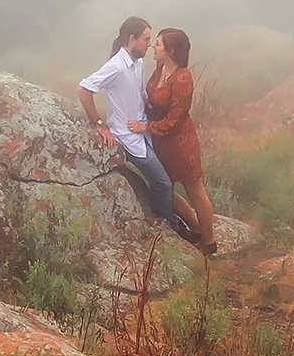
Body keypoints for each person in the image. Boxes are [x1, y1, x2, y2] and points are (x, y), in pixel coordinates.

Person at [78, 17, 199, 245]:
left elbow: (141, 96)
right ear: (131, 39)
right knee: (162, 182)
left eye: (152, 40)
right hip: (127, 136)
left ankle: (180, 222)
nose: (150, 44)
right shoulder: (115, 66)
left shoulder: (138, 63)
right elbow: (84, 89)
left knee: (165, 181)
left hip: (144, 132)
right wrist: (99, 124)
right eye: (146, 39)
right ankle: (170, 225)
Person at [128, 28, 216, 256]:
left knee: (195, 191)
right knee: (165, 188)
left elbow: (175, 119)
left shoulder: (182, 78)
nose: (153, 48)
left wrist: (145, 127)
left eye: (158, 44)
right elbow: (153, 99)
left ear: (171, 50)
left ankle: (209, 243)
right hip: (161, 142)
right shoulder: (160, 68)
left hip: (180, 143)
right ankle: (195, 229)